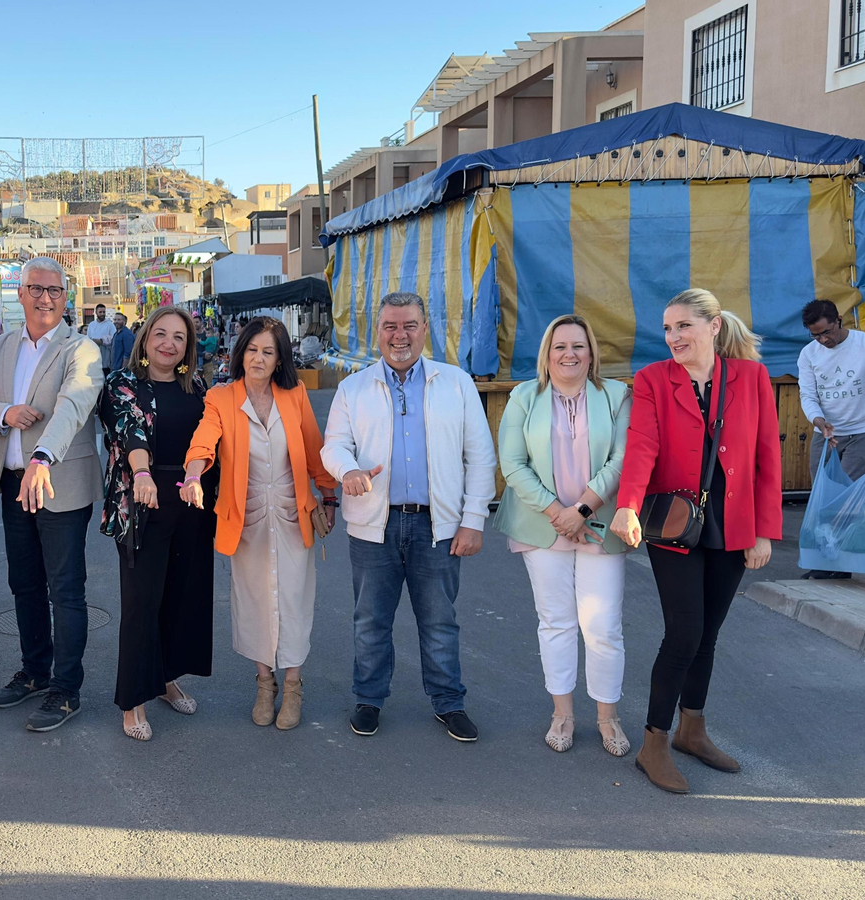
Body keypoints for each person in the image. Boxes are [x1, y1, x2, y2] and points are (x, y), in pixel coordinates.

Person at [609, 288, 781, 794]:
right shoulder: (652, 380)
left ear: (713, 326)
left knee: (707, 635)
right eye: (667, 328)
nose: (673, 337)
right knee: (683, 633)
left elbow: (767, 456)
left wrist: (765, 531)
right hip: (674, 523)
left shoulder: (751, 377)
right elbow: (642, 444)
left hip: (733, 522)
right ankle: (653, 741)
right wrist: (628, 504)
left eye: (683, 326)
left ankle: (692, 730)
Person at [320, 293, 495, 742]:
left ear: (425, 329)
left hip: (437, 524)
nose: (400, 336)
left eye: (409, 326)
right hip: (373, 525)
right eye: (390, 327)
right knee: (370, 620)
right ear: (377, 331)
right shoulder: (353, 388)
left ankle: (448, 702)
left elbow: (479, 457)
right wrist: (348, 469)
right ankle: (369, 699)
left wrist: (473, 519)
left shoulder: (455, 383)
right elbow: (333, 445)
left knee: (439, 620)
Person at [0, 256, 104, 733]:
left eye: (55, 291)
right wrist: (4, 414)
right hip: (12, 484)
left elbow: (74, 404)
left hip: (59, 485)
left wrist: (43, 456)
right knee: (24, 585)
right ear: (19, 293)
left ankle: (67, 688)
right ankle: (35, 672)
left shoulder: (81, 348)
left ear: (66, 298)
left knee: (65, 590)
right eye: (36, 289)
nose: (45, 298)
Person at [182, 316, 337, 731]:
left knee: (292, 600)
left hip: (292, 515)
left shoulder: (295, 393)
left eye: (268, 351)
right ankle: (264, 684)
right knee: (254, 601)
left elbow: (313, 446)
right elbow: (203, 440)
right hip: (246, 519)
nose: (259, 358)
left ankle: (293, 685)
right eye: (252, 349)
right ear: (241, 353)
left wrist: (328, 494)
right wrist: (193, 475)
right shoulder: (220, 397)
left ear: (279, 358)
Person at [492, 314, 632, 756]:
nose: (569, 354)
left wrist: (583, 509)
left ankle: (608, 717)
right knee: (555, 621)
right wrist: (559, 512)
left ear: (591, 353)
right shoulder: (522, 397)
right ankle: (563, 713)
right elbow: (513, 463)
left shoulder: (615, 395)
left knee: (603, 626)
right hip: (542, 524)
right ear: (546, 355)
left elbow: (623, 456)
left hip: (600, 525)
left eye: (578, 346)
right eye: (559, 346)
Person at [99, 306, 214, 741]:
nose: (169, 343)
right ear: (145, 340)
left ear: (188, 347)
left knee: (179, 597)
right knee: (141, 604)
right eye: (160, 334)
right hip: (141, 503)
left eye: (179, 337)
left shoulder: (196, 386)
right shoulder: (121, 384)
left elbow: (211, 436)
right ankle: (133, 699)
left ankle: (164, 678)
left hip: (190, 502)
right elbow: (130, 432)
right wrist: (143, 474)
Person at [796, 298, 865, 579]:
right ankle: (828, 560)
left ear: (839, 321)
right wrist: (817, 420)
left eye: (826, 331)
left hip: (863, 430)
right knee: (823, 497)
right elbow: (808, 395)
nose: (823, 339)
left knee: (845, 498)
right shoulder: (809, 354)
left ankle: (836, 563)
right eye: (815, 335)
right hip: (828, 432)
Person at [86, 303, 117, 372]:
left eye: (104, 312)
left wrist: (102, 341)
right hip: (93, 356)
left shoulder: (110, 324)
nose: (102, 314)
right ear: (96, 312)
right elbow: (88, 338)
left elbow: (114, 339)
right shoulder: (91, 325)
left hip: (105, 356)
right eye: (100, 312)